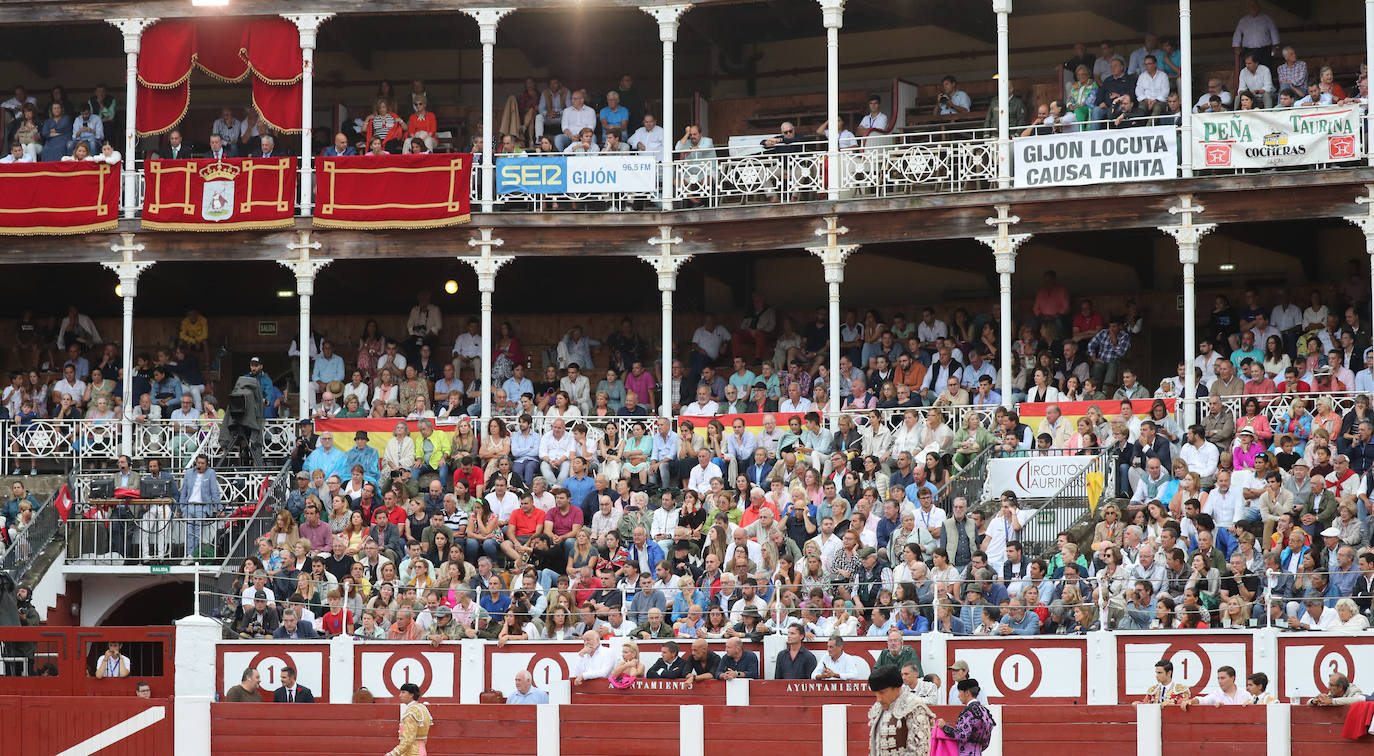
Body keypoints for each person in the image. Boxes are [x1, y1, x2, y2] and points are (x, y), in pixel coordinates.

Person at [866, 664, 936, 756]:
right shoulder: (879, 707)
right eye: (876, 694)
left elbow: (920, 751)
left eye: (882, 693)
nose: (879, 699)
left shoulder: (913, 706)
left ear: (898, 688)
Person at [935, 679, 996, 756]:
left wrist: (944, 727)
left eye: (960, 692)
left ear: (967, 693)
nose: (958, 695)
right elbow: (986, 741)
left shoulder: (968, 712)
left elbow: (962, 735)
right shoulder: (985, 711)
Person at [387, 683, 433, 756]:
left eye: (403, 692)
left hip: (412, 752)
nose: (400, 695)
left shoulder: (411, 712)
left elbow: (407, 741)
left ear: (411, 695)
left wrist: (392, 754)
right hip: (422, 750)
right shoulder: (423, 708)